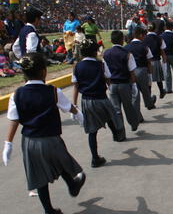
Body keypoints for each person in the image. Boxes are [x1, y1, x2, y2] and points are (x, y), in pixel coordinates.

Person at [2, 53, 86, 214]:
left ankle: (48, 210)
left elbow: (14, 120)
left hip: (29, 141)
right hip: (51, 138)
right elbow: (68, 107)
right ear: (43, 72)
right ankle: (73, 185)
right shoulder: (53, 91)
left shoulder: (16, 95)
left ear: (24, 74)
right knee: (61, 162)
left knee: (39, 175)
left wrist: (8, 143)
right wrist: (78, 114)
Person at [72, 39, 126, 168]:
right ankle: (117, 134)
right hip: (101, 98)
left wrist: (74, 104)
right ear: (95, 51)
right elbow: (108, 80)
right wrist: (111, 91)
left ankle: (95, 158)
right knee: (111, 116)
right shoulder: (101, 65)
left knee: (92, 131)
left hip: (86, 100)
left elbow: (75, 86)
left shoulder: (77, 67)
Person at [103, 31, 141, 130]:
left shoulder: (106, 54)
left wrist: (108, 85)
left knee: (116, 110)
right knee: (128, 106)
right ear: (122, 40)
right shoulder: (127, 54)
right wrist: (134, 86)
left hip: (112, 84)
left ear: (111, 41)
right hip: (124, 84)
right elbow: (132, 72)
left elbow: (105, 72)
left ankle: (120, 131)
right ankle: (134, 123)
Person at [125, 27, 157, 115]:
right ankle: (149, 103)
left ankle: (137, 115)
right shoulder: (144, 46)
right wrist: (150, 74)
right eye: (144, 35)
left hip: (131, 71)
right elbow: (149, 61)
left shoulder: (126, 47)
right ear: (140, 35)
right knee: (145, 90)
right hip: (142, 69)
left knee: (135, 94)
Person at [144, 24, 168, 99]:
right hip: (156, 59)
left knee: (149, 80)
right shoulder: (159, 38)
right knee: (159, 78)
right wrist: (164, 62)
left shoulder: (143, 38)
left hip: (146, 61)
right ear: (155, 29)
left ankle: (149, 96)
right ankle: (161, 91)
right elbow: (162, 51)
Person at [160, 20, 173, 93]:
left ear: (165, 27)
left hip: (164, 56)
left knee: (167, 72)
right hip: (172, 54)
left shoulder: (161, 36)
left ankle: (168, 88)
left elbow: (160, 47)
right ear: (171, 27)